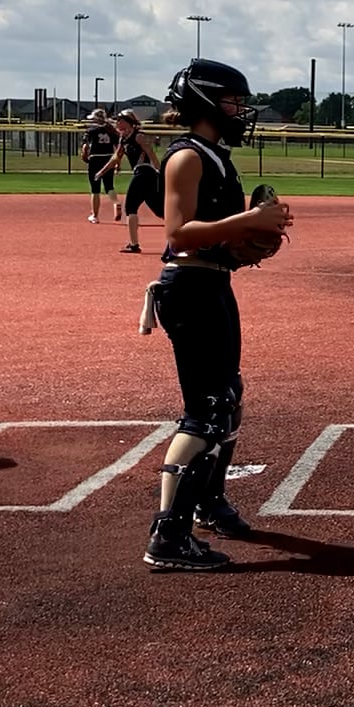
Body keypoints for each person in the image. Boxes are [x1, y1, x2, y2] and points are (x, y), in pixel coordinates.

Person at [141, 60, 293, 571]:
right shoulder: (186, 157)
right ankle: (168, 536)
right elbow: (178, 233)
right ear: (206, 101)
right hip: (189, 289)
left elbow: (216, 234)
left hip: (212, 283)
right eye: (232, 101)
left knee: (228, 396)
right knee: (206, 409)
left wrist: (250, 236)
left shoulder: (215, 156)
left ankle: (208, 500)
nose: (239, 110)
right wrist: (249, 219)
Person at [102, 111, 161, 253]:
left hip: (145, 173)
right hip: (141, 174)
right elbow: (116, 158)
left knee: (130, 207)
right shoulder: (123, 139)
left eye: (120, 120)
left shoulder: (139, 136)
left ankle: (134, 245)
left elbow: (151, 154)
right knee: (160, 210)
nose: (117, 123)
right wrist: (102, 171)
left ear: (128, 122)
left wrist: (161, 172)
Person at [78, 108, 120, 224]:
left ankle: (95, 215)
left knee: (95, 189)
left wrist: (84, 156)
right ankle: (116, 202)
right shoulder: (111, 130)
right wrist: (117, 163)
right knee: (109, 186)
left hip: (95, 159)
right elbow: (118, 148)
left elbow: (85, 146)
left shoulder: (91, 131)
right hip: (109, 158)